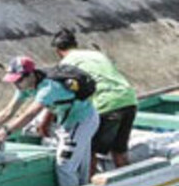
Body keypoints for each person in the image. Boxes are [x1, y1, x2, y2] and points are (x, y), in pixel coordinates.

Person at [0, 56, 100, 186]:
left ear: (31, 75)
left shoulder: (48, 88)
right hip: (67, 122)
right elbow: (8, 111)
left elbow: (30, 113)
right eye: (14, 81)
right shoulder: (25, 86)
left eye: (19, 80)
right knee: (79, 165)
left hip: (82, 121)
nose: (16, 85)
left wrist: (5, 132)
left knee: (65, 165)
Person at [53, 29, 137, 170]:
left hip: (105, 105)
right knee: (120, 151)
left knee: (89, 151)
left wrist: (44, 124)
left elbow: (60, 96)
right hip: (128, 99)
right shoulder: (96, 54)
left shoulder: (65, 65)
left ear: (57, 51)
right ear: (75, 44)